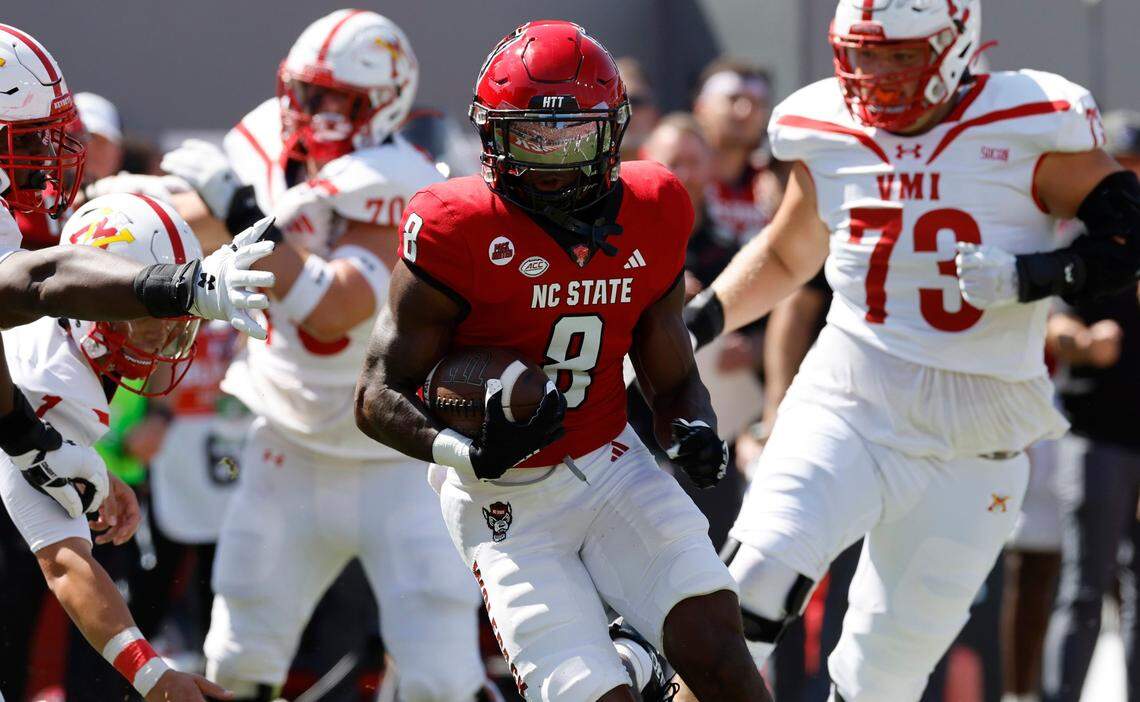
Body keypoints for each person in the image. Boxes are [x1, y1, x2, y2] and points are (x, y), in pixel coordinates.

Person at [680, 1, 1140, 699]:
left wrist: (1032, 278)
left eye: (900, 55)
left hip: (975, 433)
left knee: (880, 675)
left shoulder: (1028, 123)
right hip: (848, 400)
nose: (876, 74)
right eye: (862, 53)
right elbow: (788, 253)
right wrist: (699, 321)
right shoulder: (827, 124)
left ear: (958, 46)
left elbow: (1125, 237)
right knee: (747, 592)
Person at [355, 20, 771, 702]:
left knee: (724, 661)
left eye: (570, 137)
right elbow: (376, 394)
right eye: (531, 139)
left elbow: (673, 376)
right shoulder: (455, 225)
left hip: (612, 463)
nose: (550, 161)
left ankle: (642, 656)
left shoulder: (655, 204)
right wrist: (462, 453)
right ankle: (630, 666)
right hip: (501, 500)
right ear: (491, 137)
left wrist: (691, 428)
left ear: (612, 132)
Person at [160, 10, 491, 702]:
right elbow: (186, 221)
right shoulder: (263, 152)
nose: (318, 112)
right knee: (238, 655)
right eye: (310, 93)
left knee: (439, 675)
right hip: (288, 446)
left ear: (384, 102)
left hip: (398, 459)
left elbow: (338, 309)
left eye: (341, 97)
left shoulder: (399, 176)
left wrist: (243, 210)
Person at [1, 193, 246, 702]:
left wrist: (89, 467)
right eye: (148, 315)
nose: (163, 340)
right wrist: (153, 677)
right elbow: (65, 562)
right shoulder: (54, 379)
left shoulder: (52, 338)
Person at [1041, 109, 1140, 702]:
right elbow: (1049, 324)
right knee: (1083, 587)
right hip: (1096, 436)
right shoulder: (1082, 244)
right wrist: (1082, 343)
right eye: (1118, 166)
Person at [691, 58, 779, 244]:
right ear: (700, 107)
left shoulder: (780, 182)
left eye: (756, 103)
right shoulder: (679, 174)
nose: (744, 111)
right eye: (733, 99)